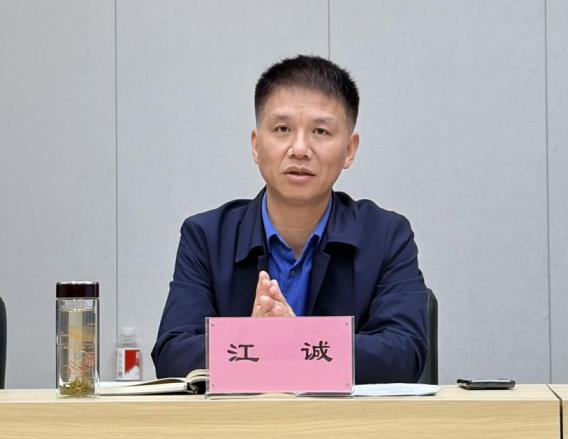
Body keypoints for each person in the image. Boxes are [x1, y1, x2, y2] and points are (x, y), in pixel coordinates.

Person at [152, 55, 428, 384]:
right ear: (256, 145)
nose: (299, 149)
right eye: (283, 129)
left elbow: (404, 354)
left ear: (349, 149)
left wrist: (286, 341)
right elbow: (173, 355)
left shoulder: (386, 235)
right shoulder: (207, 237)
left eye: (320, 131)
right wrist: (255, 338)